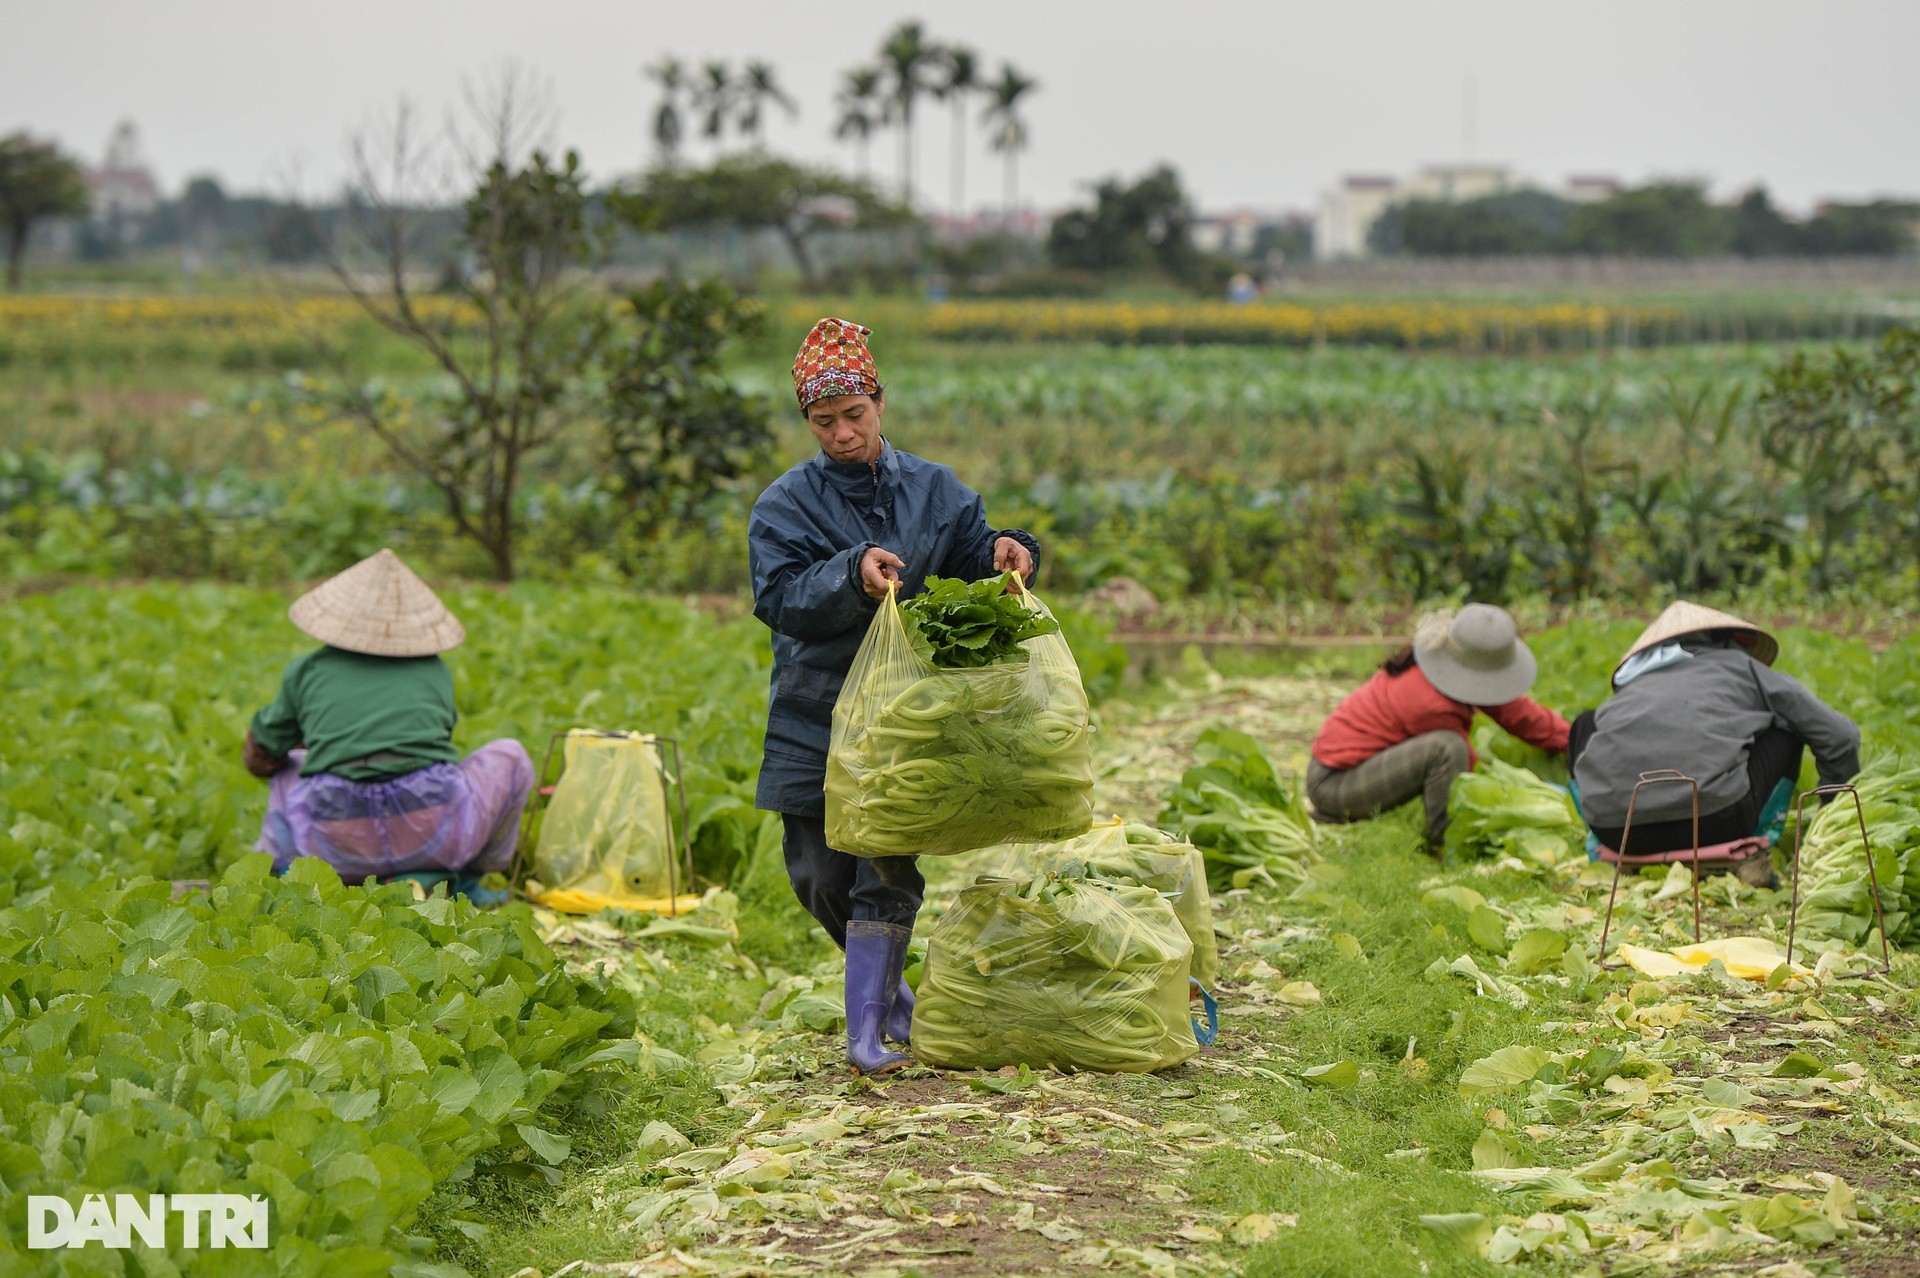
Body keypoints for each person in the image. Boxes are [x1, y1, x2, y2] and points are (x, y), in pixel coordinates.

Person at [749, 317, 1042, 1075]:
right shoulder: (784, 506)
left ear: (880, 402)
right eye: (824, 421)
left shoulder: (938, 490)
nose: (842, 433)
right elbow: (778, 597)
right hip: (815, 711)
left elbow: (978, 554)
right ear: (806, 421)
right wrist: (851, 574)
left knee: (884, 867)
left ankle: (866, 1031)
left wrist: (1011, 549)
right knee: (815, 874)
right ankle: (892, 1001)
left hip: (907, 717)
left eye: (855, 415)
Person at [245, 548, 534, 897]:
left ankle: (289, 875)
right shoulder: (434, 670)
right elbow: (433, 744)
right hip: (432, 836)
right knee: (511, 754)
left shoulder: (308, 670)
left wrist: (309, 743)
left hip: (336, 843)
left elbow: (262, 754)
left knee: (288, 767)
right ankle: (466, 879)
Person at [1569, 601, 1859, 860]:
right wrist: (1830, 808)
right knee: (1787, 724)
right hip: (1715, 823)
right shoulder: (1741, 666)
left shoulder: (1635, 681)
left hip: (1617, 833)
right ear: (1726, 641)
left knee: (1586, 723)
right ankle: (1761, 840)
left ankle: (1610, 849)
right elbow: (1840, 736)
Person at [1308, 605, 1568, 851]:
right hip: (1333, 783)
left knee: (1450, 749)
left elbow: (1517, 712)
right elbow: (1464, 770)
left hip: (1354, 767)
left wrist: (1575, 739)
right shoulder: (1429, 703)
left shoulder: (1452, 663)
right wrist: (1519, 798)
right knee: (1448, 749)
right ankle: (1443, 841)